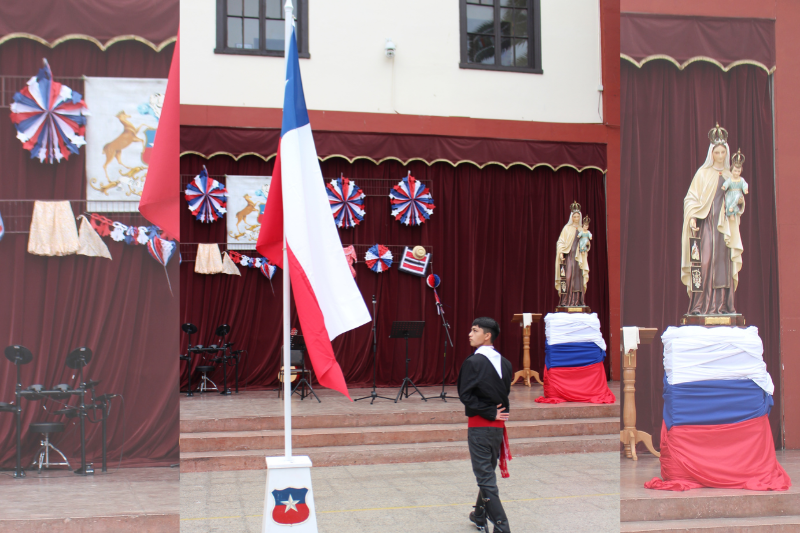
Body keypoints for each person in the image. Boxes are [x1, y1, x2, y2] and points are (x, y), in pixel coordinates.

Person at [681, 124, 745, 315]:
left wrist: (739, 203)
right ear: (712, 153)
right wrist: (692, 216)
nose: (720, 155)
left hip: (723, 227)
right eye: (716, 152)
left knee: (723, 265)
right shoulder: (703, 174)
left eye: (723, 152)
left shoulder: (729, 175)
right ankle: (699, 306)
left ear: (727, 153)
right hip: (706, 225)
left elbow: (736, 199)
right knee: (704, 261)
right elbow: (690, 198)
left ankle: (722, 306)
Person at [458, 317, 513, 533]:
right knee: (487, 472)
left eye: (474, 330)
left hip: (481, 426)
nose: (470, 334)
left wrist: (490, 412)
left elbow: (465, 395)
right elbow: (503, 394)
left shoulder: (473, 362)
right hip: (496, 427)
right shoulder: (506, 363)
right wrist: (495, 413)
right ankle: (479, 515)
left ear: (487, 335)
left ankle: (502, 527)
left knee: (485, 476)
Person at [555, 202, 590, 307]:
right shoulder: (567, 228)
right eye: (574, 216)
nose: (576, 218)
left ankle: (578, 301)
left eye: (578, 216)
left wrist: (587, 245)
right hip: (568, 257)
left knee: (578, 278)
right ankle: (565, 301)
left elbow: (585, 241)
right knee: (567, 277)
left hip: (578, 258)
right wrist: (561, 252)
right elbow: (560, 242)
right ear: (571, 217)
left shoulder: (581, 229)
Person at [722, 149, 749, 218]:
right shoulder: (730, 179)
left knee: (737, 198)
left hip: (738, 193)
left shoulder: (741, 179)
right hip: (730, 193)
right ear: (731, 171)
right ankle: (730, 214)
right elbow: (727, 183)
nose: (736, 173)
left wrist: (745, 189)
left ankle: (732, 208)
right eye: (735, 171)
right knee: (727, 200)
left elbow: (744, 184)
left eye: (738, 171)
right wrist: (724, 186)